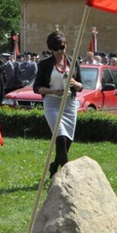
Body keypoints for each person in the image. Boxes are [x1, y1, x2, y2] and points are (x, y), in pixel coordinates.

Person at [34, 30, 83, 176]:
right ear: (51, 49)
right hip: (52, 103)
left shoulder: (73, 62)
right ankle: (67, 175)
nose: (59, 51)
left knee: (67, 141)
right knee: (60, 137)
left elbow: (81, 87)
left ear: (66, 46)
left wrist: (74, 83)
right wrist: (53, 92)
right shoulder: (45, 65)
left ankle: (54, 166)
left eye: (61, 48)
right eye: (55, 49)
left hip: (69, 103)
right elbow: (37, 88)